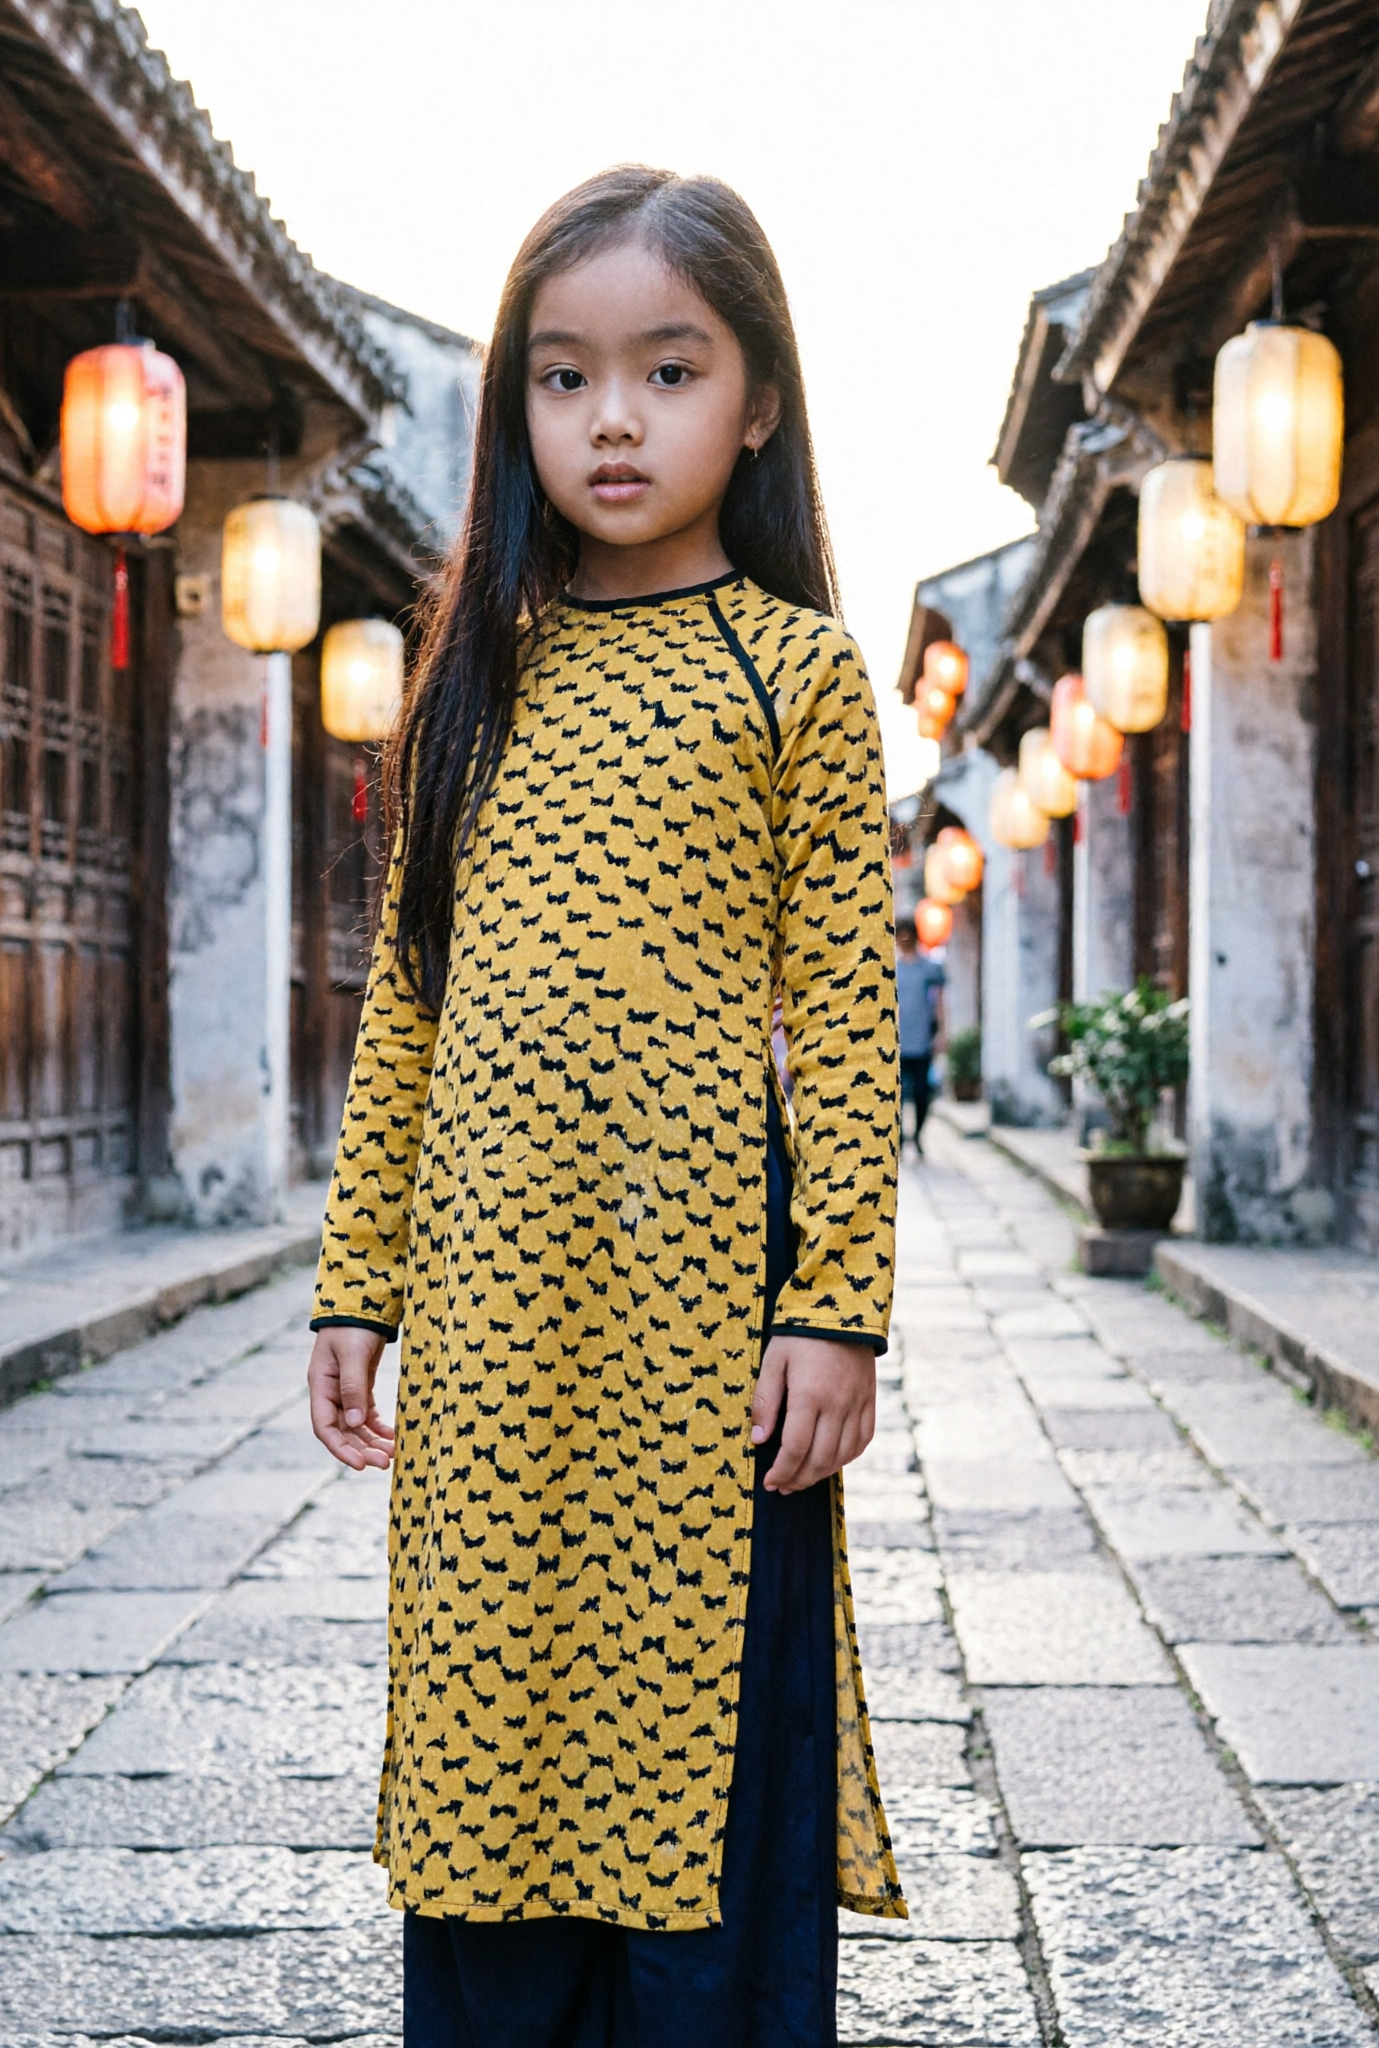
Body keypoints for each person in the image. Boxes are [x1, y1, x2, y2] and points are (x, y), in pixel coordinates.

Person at [306, 166, 905, 2047]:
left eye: (666, 368)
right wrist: (356, 1279)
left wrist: (835, 1309)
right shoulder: (471, 674)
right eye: (562, 380)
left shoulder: (792, 671)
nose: (614, 420)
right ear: (515, 412)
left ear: (760, 399)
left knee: (698, 1749)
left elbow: (849, 1018)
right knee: (491, 1724)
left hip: (704, 1322)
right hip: (492, 1330)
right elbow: (406, 1007)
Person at [893, 920, 946, 1156]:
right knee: (899, 1095)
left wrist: (942, 1033)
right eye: (900, 936)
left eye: (908, 935)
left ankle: (918, 1135)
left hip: (922, 1040)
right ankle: (901, 1139)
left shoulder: (929, 968)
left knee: (924, 1094)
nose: (904, 940)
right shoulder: (891, 968)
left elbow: (939, 1003)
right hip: (896, 1042)